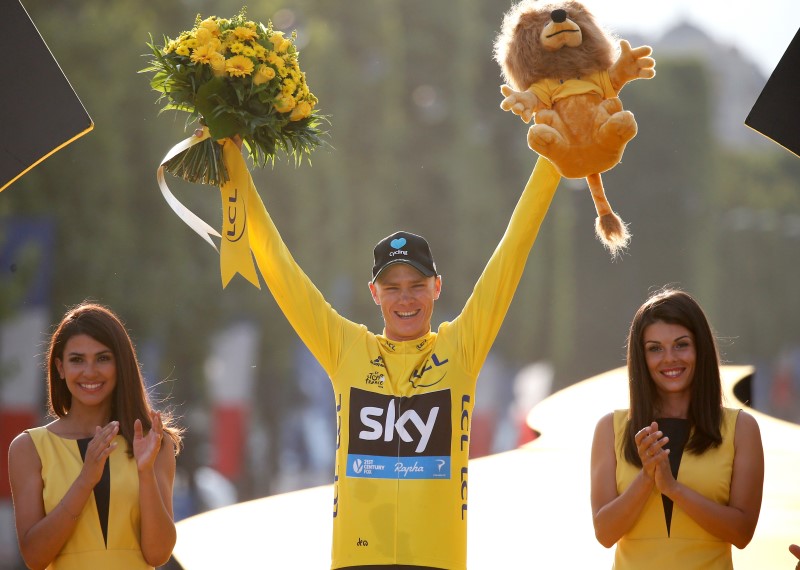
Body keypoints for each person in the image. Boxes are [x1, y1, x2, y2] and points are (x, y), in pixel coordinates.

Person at [244, 151, 561, 569]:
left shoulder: (460, 347)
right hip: (357, 559)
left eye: (417, 284)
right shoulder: (348, 350)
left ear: (437, 287)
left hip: (436, 560)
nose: (405, 298)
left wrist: (552, 159)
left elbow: (513, 249)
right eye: (392, 287)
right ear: (374, 294)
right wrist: (235, 175)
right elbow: (279, 267)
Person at [590, 288, 764, 569]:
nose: (669, 358)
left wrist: (673, 489)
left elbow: (742, 533)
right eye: (655, 348)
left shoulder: (741, 428)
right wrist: (647, 478)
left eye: (681, 345)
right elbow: (605, 533)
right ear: (641, 357)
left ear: (700, 348)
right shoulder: (610, 429)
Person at [7, 302, 183, 569]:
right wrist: (85, 480)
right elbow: (35, 557)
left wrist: (145, 472)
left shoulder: (154, 443)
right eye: (77, 360)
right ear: (60, 367)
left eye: (103, 358)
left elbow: (157, 555)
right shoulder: (29, 448)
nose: (90, 371)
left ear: (120, 364)